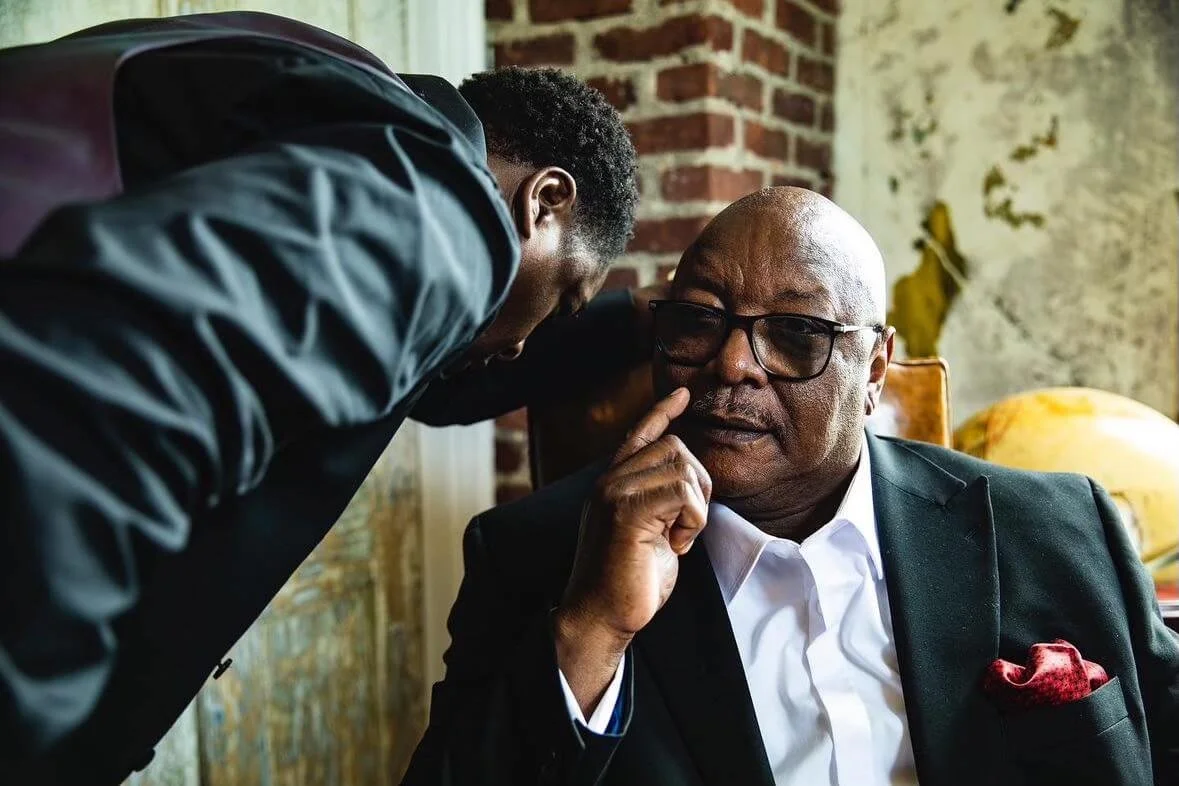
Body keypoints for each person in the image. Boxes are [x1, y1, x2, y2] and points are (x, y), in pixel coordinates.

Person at [0, 11, 648, 784]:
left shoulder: (333, 112)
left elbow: (427, 386)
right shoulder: (435, 204)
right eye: (565, 299)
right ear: (544, 201)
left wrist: (647, 320)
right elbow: (83, 417)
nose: (520, 344)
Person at [403, 187, 1179, 786]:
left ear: (874, 370)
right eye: (697, 322)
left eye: (796, 332)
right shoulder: (536, 554)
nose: (732, 365)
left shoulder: (1054, 526)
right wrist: (593, 629)